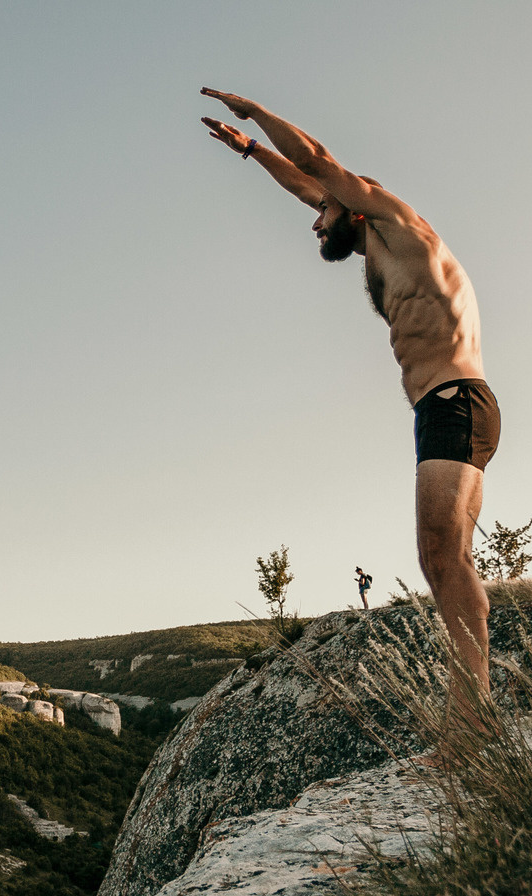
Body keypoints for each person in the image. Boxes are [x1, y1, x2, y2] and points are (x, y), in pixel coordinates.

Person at [200, 88, 497, 709]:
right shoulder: (371, 242)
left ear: (354, 205)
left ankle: (472, 717)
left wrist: (255, 115)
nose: (313, 219)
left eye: (323, 210)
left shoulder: (404, 227)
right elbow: (308, 184)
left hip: (457, 401)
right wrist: (251, 151)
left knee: (443, 554)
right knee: (440, 557)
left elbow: (318, 163)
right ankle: (471, 705)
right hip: (438, 408)